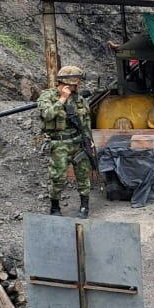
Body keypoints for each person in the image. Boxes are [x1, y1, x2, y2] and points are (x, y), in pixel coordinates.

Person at [37, 65, 93, 218]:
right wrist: (62, 99)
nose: (78, 86)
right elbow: (47, 115)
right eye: (76, 83)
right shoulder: (47, 96)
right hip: (59, 144)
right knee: (57, 177)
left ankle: (84, 206)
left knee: (83, 175)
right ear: (69, 83)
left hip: (78, 142)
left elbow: (86, 122)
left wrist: (89, 141)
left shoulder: (79, 99)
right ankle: (55, 207)